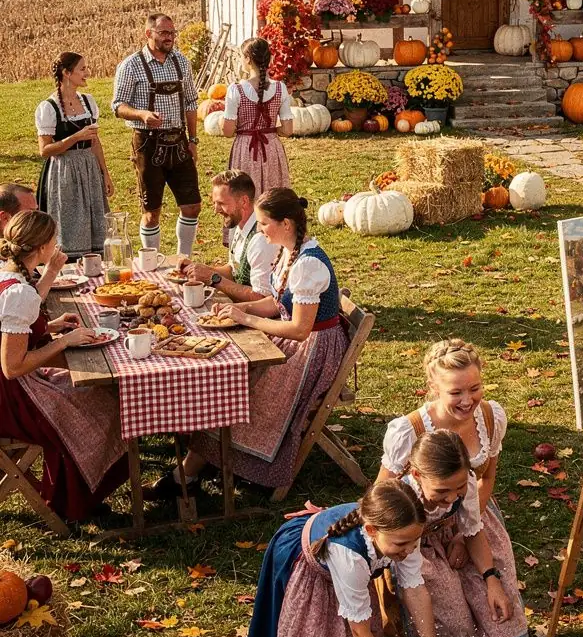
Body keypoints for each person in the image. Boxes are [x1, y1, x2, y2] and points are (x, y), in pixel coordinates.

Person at [146, 188, 347, 498]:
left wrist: (248, 320)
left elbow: (298, 328)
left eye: (265, 223)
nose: (260, 229)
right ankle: (205, 462)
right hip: (294, 337)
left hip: (313, 352)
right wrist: (240, 309)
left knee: (245, 389)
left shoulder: (308, 264)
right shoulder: (288, 251)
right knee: (228, 370)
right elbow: (277, 303)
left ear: (286, 224)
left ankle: (194, 472)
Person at [243, 481, 457, 637]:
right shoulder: (350, 556)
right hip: (306, 562)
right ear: (372, 530)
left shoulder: (405, 533)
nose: (409, 550)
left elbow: (416, 591)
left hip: (351, 569)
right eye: (401, 545)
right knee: (311, 635)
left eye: (413, 542)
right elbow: (360, 632)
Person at [378, 338, 527, 637]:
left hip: (476, 523)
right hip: (422, 536)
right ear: (433, 386)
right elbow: (382, 493)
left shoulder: (490, 417)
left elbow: (486, 478)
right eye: (456, 392)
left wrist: (462, 534)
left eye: (474, 388)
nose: (467, 400)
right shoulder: (409, 431)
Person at [0, 210, 128, 520]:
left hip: (21, 385)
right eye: (54, 239)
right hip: (12, 398)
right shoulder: (18, 293)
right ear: (43, 246)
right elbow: (11, 367)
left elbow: (21, 319)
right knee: (101, 404)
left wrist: (51, 325)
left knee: (100, 393)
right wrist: (63, 342)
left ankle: (74, 496)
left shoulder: (10, 276)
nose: (58, 244)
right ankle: (75, 503)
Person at [398, 429, 525, 637]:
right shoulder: (405, 502)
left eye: (459, 488)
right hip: (417, 557)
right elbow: (410, 574)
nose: (451, 498)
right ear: (417, 475)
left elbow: (473, 533)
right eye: (442, 491)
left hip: (455, 538)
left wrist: (491, 580)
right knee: (455, 635)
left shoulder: (464, 484)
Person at [111, 13, 200, 258]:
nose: (169, 37)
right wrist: (141, 114)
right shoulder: (131, 65)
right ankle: (152, 261)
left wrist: (192, 140)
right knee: (152, 211)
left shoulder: (181, 62)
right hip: (148, 142)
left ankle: (184, 259)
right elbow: (118, 105)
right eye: (164, 33)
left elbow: (191, 102)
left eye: (172, 33)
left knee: (192, 206)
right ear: (148, 34)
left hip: (179, 140)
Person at [35, 53, 112, 260]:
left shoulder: (88, 102)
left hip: (89, 168)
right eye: (82, 69)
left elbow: (95, 142)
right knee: (70, 225)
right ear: (66, 73)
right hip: (64, 171)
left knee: (96, 222)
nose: (87, 73)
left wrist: (104, 173)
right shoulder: (48, 108)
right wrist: (75, 137)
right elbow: (45, 150)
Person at [179, 171, 277, 302]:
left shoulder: (261, 241)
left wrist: (213, 279)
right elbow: (234, 270)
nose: (216, 210)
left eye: (221, 203)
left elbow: (262, 299)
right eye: (215, 203)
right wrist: (200, 270)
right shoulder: (240, 223)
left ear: (243, 201)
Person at [222, 38, 293, 196]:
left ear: (247, 59)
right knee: (272, 197)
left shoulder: (236, 90)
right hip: (272, 148)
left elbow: (227, 131)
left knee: (244, 197)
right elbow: (288, 130)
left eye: (241, 56)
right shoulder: (280, 88)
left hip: (246, 149)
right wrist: (270, 131)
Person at [0, 185, 67, 304]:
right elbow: (22, 304)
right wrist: (51, 271)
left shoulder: (21, 245)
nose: (39, 218)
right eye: (31, 214)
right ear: (5, 218)